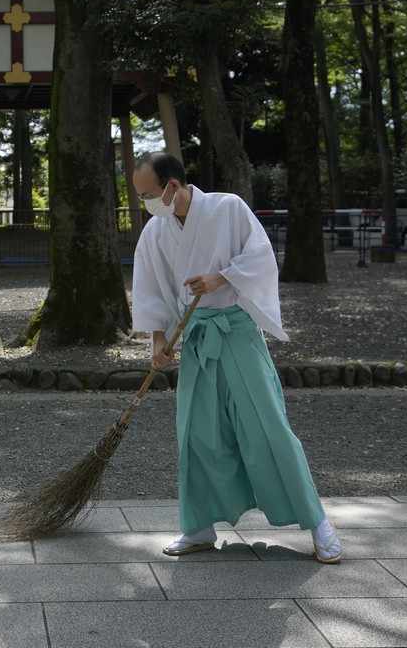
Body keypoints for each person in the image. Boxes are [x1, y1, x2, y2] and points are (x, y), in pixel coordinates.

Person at [130, 151, 342, 564]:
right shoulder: (156, 232)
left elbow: (260, 258)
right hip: (195, 337)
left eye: (147, 194)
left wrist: (220, 278)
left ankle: (317, 521)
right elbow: (152, 290)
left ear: (172, 186)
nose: (145, 204)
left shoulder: (228, 208)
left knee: (268, 426)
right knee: (195, 431)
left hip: (237, 331)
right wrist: (158, 341)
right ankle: (200, 525)